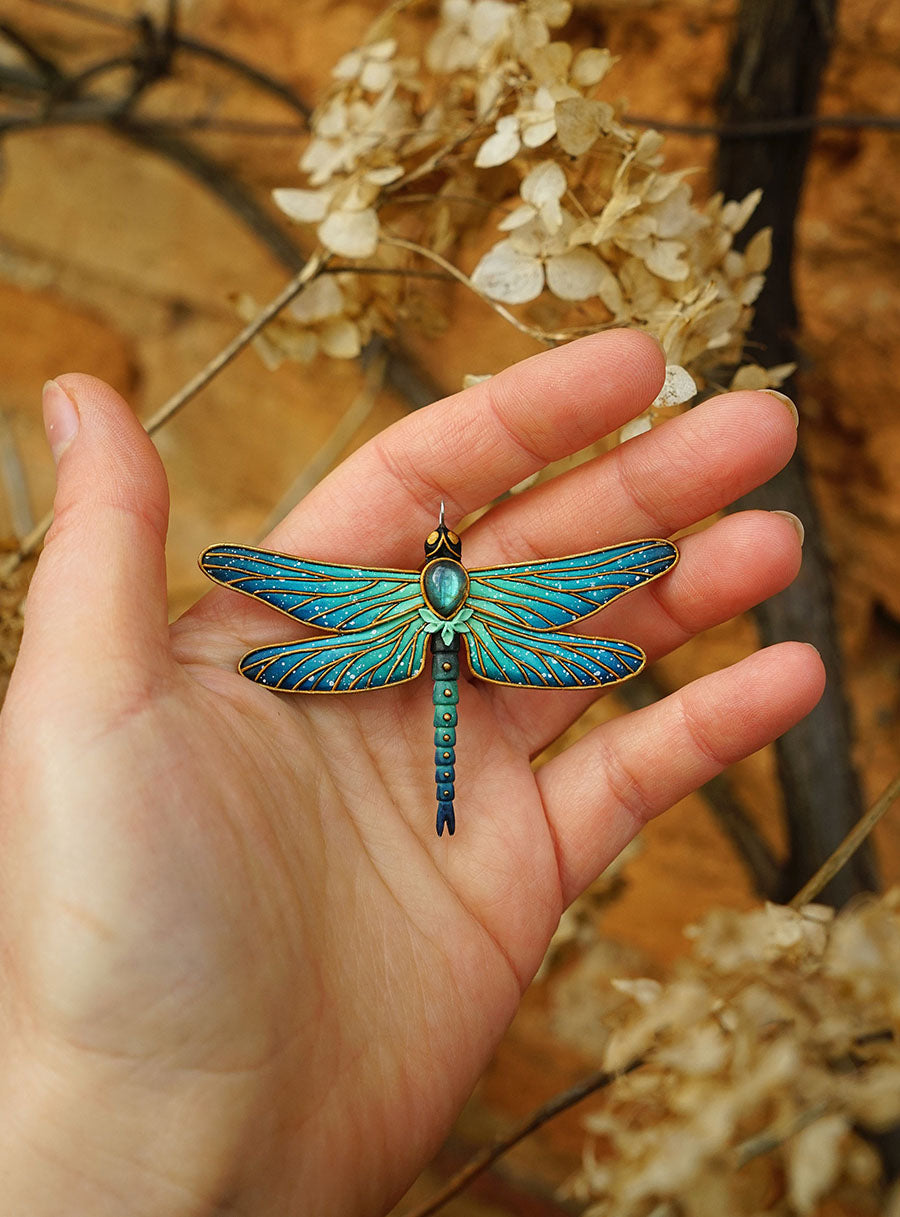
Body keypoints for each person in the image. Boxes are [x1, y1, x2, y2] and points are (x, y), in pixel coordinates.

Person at [0, 330, 823, 1215]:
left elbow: (262, 580)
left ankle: (443, 801)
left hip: (395, 646)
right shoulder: (493, 588)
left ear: (430, 566)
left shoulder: (386, 592)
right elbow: (630, 568)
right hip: (494, 639)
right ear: (448, 564)